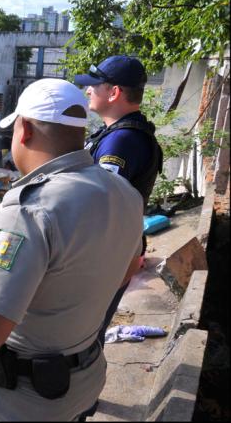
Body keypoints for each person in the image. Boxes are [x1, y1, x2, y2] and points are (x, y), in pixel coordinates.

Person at [0, 79, 144, 421]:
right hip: (84, 379)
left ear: (26, 131)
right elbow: (128, 267)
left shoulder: (28, 211)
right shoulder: (123, 192)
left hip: (20, 401)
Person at [75, 55, 163, 346]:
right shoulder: (121, 133)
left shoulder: (121, 142)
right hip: (117, 248)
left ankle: (82, 389)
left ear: (113, 93)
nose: (88, 91)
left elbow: (102, 205)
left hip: (106, 253)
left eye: (94, 86)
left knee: (83, 333)